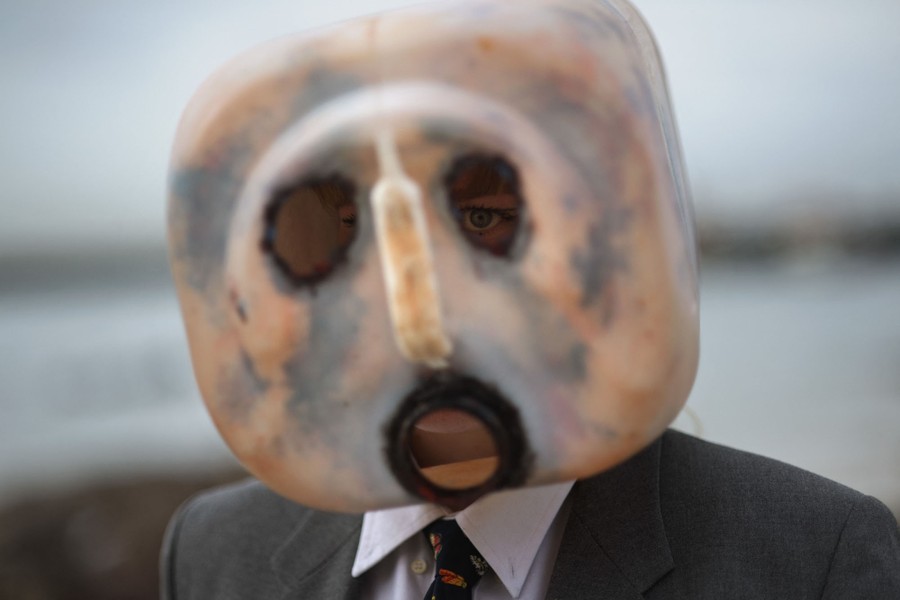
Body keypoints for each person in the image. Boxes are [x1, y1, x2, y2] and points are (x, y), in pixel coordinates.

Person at [160, 1, 900, 597]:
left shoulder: (811, 556)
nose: (416, 310)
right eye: (353, 232)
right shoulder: (213, 553)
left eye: (484, 218)